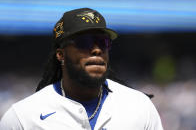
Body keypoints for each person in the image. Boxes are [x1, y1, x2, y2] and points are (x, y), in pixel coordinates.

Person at [0, 8, 163, 130]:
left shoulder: (139, 106)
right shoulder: (22, 117)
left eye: (103, 42)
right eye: (84, 42)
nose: (97, 50)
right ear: (61, 55)